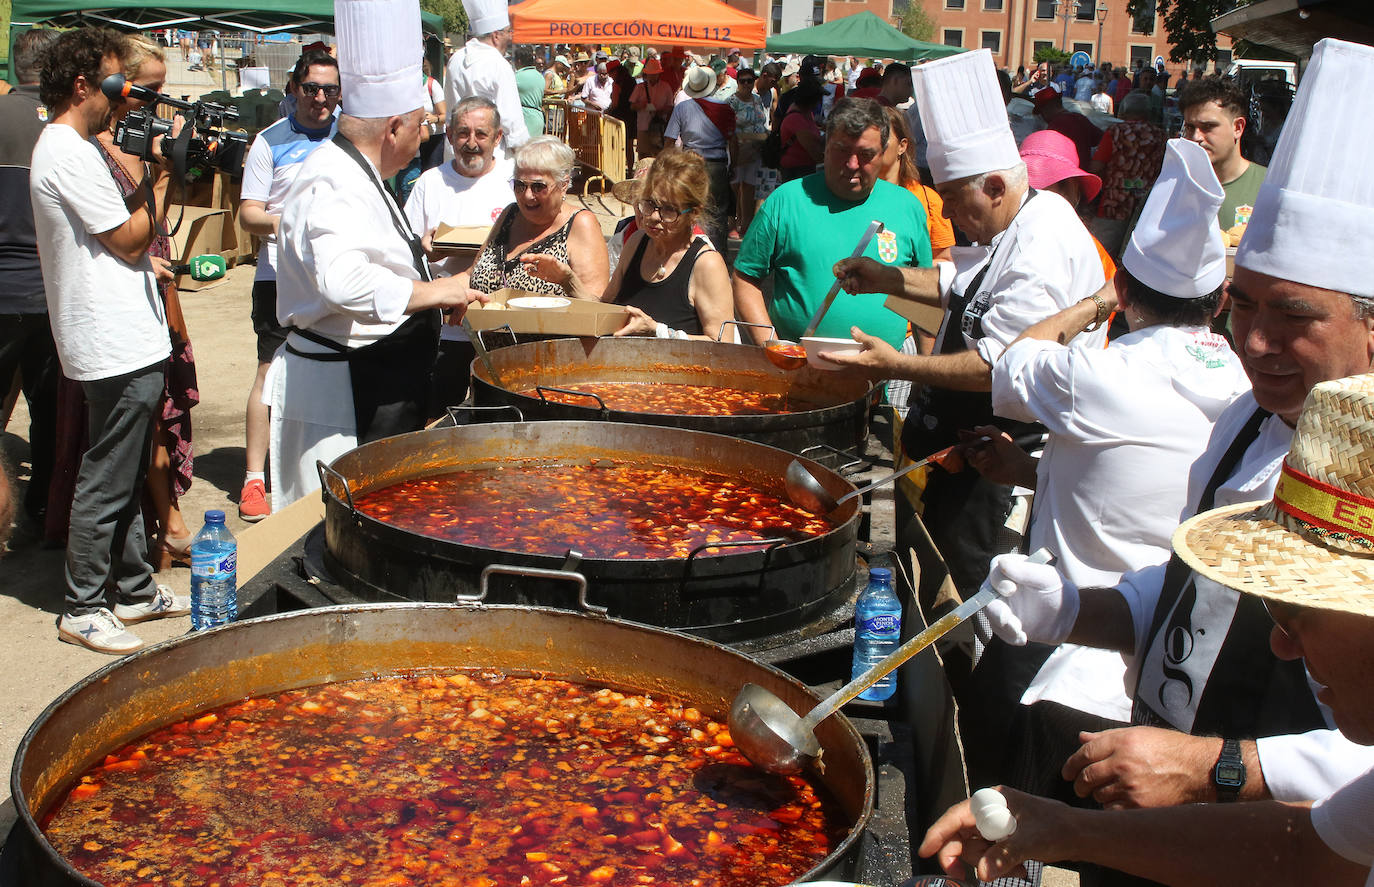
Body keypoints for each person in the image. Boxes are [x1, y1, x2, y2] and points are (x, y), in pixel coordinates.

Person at [977, 37, 1374, 880]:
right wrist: (1072, 609)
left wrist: (1214, 767)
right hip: (1161, 821)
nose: (1255, 341)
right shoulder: (1243, 415)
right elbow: (1196, 587)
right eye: (1245, 306)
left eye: (1294, 314)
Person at [923, 381, 1374, 887]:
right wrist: (1064, 828)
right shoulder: (1244, 416)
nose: (1281, 643)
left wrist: (1218, 765)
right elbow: (1304, 846)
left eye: (1302, 613)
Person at [822, 53, 1108, 788]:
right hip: (956, 458)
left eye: (954, 199)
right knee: (943, 612)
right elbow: (961, 278)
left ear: (995, 183)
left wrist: (895, 367)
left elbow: (998, 364)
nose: (947, 214)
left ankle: (988, 779)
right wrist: (889, 277)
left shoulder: (1045, 241)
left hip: (1000, 474)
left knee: (981, 630)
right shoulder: (1015, 224)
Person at [967, 140, 1250, 824]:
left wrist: (1091, 307)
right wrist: (1032, 471)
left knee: (1004, 828)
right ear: (1217, 304)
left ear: (1125, 291)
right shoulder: (1245, 392)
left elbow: (1010, 360)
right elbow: (1151, 483)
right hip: (1176, 686)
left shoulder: (1096, 374)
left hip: (1062, 656)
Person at [270, 0, 486, 511]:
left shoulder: (362, 173)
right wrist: (437, 290)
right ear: (393, 126)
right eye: (420, 126)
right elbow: (343, 284)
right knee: (333, 525)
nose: (424, 139)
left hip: (371, 381)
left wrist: (431, 291)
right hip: (343, 394)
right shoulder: (333, 177)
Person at [31, 26, 190, 654]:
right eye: (112, 81)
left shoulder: (69, 147)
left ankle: (131, 587)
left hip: (121, 333)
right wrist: (162, 174)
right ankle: (84, 604)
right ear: (81, 84)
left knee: (121, 470)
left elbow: (104, 249)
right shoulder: (67, 151)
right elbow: (126, 238)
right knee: (107, 474)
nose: (120, 94)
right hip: (112, 341)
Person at [89, 36, 199, 571]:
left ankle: (164, 525)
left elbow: (160, 219)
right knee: (148, 416)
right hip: (127, 285)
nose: (160, 101)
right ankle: (165, 529)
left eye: (163, 89)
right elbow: (132, 229)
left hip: (156, 274)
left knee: (163, 407)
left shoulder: (139, 139)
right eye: (149, 89)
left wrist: (170, 164)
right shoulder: (99, 148)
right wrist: (157, 173)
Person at [733, 97, 933, 350]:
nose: (852, 164)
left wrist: (925, 373)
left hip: (888, 374)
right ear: (825, 147)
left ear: (883, 154)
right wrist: (771, 346)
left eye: (865, 154)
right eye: (841, 151)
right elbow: (745, 277)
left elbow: (921, 294)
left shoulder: (907, 206)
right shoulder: (786, 201)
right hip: (799, 372)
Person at [236, 48, 341, 523]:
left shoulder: (350, 133)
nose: (320, 99)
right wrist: (298, 222)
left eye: (330, 90)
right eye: (311, 88)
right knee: (270, 372)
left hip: (338, 276)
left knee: (335, 368)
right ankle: (254, 480)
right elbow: (249, 214)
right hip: (280, 275)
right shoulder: (269, 141)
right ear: (294, 87)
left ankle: (327, 466)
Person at [535, 148, 733, 341]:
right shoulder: (637, 242)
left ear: (694, 213)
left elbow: (723, 344)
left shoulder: (707, 264)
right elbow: (605, 308)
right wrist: (567, 279)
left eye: (669, 210)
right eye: (649, 204)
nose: (654, 217)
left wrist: (658, 331)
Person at [404, 97, 516, 415]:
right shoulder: (430, 183)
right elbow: (406, 249)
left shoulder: (513, 183)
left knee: (495, 416)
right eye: (463, 133)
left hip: (495, 326)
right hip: (443, 327)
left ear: (497, 137)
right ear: (450, 136)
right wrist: (423, 246)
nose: (471, 143)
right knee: (437, 414)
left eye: (481, 134)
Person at [0, 28, 62, 533]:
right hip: (47, 290)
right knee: (48, 406)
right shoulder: (62, 128)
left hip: (2, 290)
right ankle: (42, 504)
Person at [461, 136, 610, 300]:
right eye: (520, 185)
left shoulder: (581, 224)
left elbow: (596, 305)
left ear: (563, 185)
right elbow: (470, 276)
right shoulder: (510, 214)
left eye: (538, 186)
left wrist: (568, 281)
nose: (527, 195)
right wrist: (433, 292)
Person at [445, 0, 530, 169]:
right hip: (490, 158)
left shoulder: (455, 60)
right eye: (508, 32)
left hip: (456, 153)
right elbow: (512, 124)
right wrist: (526, 156)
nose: (511, 37)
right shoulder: (499, 65)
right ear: (496, 34)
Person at [1178, 76, 1266, 234]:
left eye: (1208, 127)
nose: (1196, 137)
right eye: (1190, 127)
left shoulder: (1269, 188)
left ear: (1238, 127)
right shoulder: (1173, 187)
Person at [1087, 90, 1167, 259]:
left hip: (1114, 204)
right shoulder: (1161, 135)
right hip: (1148, 207)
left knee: (1101, 256)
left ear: (1123, 110)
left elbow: (1096, 167)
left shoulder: (1115, 131)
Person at [665, 66, 735, 252]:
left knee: (690, 209)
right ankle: (718, 255)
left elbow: (669, 140)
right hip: (718, 164)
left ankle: (692, 253)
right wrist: (733, 164)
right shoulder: (725, 109)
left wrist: (669, 164)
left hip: (691, 164)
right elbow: (733, 140)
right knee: (718, 214)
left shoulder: (682, 108)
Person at [880, 105, 953, 264]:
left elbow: (944, 259)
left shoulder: (928, 199)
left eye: (883, 136)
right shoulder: (856, 194)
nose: (874, 145)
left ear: (902, 146)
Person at [728, 68, 769, 239]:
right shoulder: (731, 102)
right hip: (737, 148)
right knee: (735, 187)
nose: (746, 84)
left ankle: (746, 224)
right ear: (737, 82)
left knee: (750, 187)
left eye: (749, 80)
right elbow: (728, 128)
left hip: (755, 148)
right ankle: (734, 223)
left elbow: (762, 121)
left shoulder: (757, 99)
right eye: (742, 81)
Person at [1033, 85, 1103, 168]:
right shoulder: (1079, 118)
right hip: (1083, 174)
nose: (1043, 117)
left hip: (1067, 175)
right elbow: (1101, 139)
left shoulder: (1055, 126)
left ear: (1047, 109)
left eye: (1042, 113)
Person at [776, 81, 825, 184]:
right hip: (796, 171)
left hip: (804, 168)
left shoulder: (806, 112)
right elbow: (814, 152)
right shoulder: (796, 118)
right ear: (811, 100)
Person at [630, 57, 674, 160]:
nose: (653, 76)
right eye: (651, 74)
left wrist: (661, 111)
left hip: (659, 127)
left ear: (659, 74)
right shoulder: (640, 87)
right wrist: (641, 105)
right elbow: (632, 106)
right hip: (643, 126)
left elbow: (670, 106)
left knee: (659, 155)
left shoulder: (666, 87)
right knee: (643, 155)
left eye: (655, 73)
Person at [419, 58, 447, 171]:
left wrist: (435, 118)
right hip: (416, 139)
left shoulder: (432, 85)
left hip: (434, 140)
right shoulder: (407, 86)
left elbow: (445, 115)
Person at [513, 46, 545, 137]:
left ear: (518, 61)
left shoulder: (516, 77)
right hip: (538, 117)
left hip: (524, 118)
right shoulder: (540, 76)